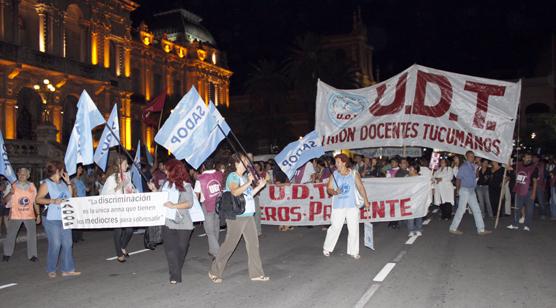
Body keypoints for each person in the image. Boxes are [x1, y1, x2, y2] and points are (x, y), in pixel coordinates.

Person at [208, 153, 268, 283]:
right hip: (237, 215)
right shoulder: (233, 176)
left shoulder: (244, 176)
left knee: (253, 244)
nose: (248, 162)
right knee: (230, 244)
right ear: (237, 162)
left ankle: (256, 273)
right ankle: (214, 271)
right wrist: (249, 182)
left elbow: (247, 195)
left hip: (248, 214)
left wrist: (259, 186)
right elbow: (235, 192)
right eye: (246, 160)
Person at [148, 159, 195, 284]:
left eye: (168, 170)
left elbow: (189, 203)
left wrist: (174, 205)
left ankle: (176, 269)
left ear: (175, 171)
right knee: (170, 250)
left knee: (181, 249)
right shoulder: (165, 184)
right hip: (167, 221)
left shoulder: (186, 185)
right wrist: (154, 190)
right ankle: (175, 275)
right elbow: (162, 198)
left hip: (183, 222)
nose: (165, 172)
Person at [35, 161, 80, 278]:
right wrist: (53, 201)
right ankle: (51, 268)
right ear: (57, 171)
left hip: (65, 216)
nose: (64, 172)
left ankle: (67, 269)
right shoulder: (46, 184)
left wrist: (69, 183)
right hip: (51, 217)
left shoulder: (63, 183)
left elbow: (70, 197)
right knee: (56, 243)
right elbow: (38, 199)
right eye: (62, 170)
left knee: (68, 243)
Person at [322, 154, 370, 259]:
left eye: (338, 162)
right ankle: (327, 248)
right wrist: (335, 191)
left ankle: (354, 251)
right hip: (338, 206)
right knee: (335, 227)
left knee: (353, 229)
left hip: (352, 206)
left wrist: (366, 201)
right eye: (335, 162)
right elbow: (328, 189)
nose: (336, 164)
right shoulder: (334, 174)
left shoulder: (353, 174)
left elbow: (361, 187)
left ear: (344, 162)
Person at [101, 153, 136, 262]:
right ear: (119, 165)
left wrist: (133, 191)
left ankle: (122, 246)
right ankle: (119, 253)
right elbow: (104, 195)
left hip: (127, 208)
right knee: (118, 230)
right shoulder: (112, 178)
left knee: (130, 230)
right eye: (125, 164)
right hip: (116, 209)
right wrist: (118, 187)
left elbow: (131, 188)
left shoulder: (127, 176)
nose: (127, 166)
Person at [449, 151, 491, 235]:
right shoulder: (463, 167)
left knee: (476, 209)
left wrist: (477, 168)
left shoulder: (473, 166)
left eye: (473, 156)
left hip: (471, 190)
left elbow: (476, 176)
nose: (472, 158)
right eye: (470, 156)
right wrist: (457, 190)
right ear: (466, 157)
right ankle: (453, 228)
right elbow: (458, 179)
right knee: (461, 210)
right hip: (464, 190)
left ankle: (481, 229)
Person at [2, 168, 39, 262]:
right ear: (17, 174)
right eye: (20, 174)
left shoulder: (32, 186)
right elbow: (4, 200)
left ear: (28, 176)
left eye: (24, 174)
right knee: (11, 235)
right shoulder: (12, 185)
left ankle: (32, 255)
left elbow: (36, 202)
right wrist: (10, 193)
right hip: (16, 214)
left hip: (29, 214)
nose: (22, 175)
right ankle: (7, 253)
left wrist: (38, 214)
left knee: (32, 235)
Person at [194, 159, 224, 259]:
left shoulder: (200, 178)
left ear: (203, 166)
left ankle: (217, 252)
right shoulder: (219, 174)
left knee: (209, 230)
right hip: (218, 204)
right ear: (214, 165)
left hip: (207, 206)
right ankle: (212, 250)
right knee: (216, 227)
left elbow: (196, 194)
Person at [507, 153, 539, 231]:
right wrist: (507, 156)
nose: (529, 159)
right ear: (523, 158)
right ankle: (515, 224)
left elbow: (535, 181)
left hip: (529, 191)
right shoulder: (518, 165)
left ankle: (527, 225)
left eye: (530, 157)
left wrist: (534, 193)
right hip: (519, 190)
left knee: (529, 209)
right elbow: (509, 167)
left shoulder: (534, 168)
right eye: (527, 157)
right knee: (517, 208)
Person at [71, 165, 88, 243]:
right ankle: (74, 237)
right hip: (77, 202)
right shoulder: (73, 180)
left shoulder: (80, 180)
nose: (81, 170)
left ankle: (79, 236)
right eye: (79, 168)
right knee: (76, 219)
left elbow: (86, 189)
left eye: (81, 168)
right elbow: (73, 192)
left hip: (82, 202)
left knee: (81, 219)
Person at [407, 164, 423, 236]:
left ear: (415, 171)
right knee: (410, 215)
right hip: (409, 199)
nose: (409, 171)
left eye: (411, 169)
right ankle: (411, 229)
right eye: (409, 169)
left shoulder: (421, 178)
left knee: (418, 214)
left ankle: (418, 229)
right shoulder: (406, 178)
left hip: (419, 198)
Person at [532, 154, 548, 219]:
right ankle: (529, 213)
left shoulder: (542, 165)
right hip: (531, 185)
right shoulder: (531, 165)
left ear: (538, 159)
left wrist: (544, 185)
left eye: (535, 158)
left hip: (539, 185)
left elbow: (545, 175)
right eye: (533, 157)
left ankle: (543, 213)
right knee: (530, 200)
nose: (534, 159)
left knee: (541, 200)